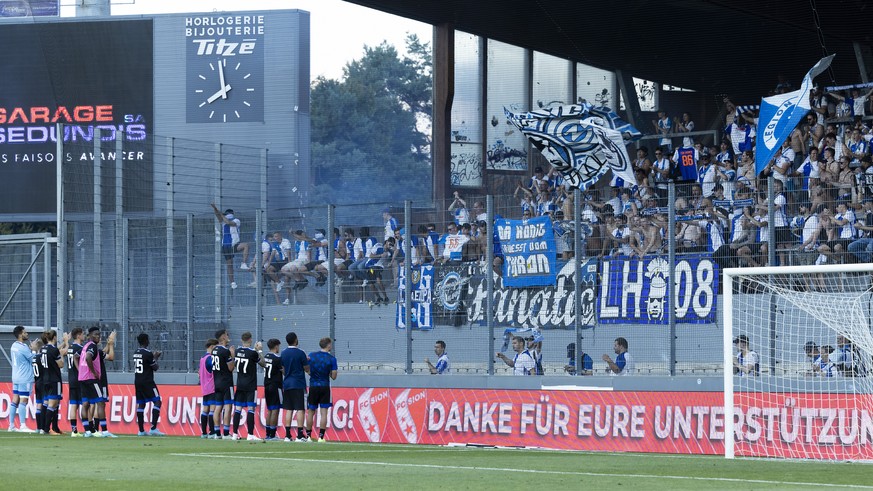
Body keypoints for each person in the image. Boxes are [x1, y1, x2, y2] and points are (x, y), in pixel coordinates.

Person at [78, 327, 116, 437]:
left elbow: (77, 357)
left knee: (85, 404)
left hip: (82, 378)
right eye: (95, 334)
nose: (98, 336)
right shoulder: (92, 346)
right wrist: (94, 372)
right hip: (91, 379)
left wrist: (80, 370)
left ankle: (87, 431)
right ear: (89, 335)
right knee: (100, 403)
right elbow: (88, 357)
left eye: (99, 334)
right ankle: (104, 431)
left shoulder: (85, 346)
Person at [231, 332, 263, 441]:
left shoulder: (237, 351)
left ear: (241, 340)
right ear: (250, 340)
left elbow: (235, 364)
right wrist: (259, 350)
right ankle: (250, 435)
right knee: (250, 409)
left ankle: (234, 434)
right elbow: (263, 364)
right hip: (250, 385)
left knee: (238, 409)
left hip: (240, 384)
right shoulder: (253, 353)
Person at [306, 337, 338, 442]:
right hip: (324, 386)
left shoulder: (311, 355)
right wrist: (328, 372)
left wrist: (311, 373)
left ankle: (308, 436)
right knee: (324, 412)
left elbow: (306, 367)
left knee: (311, 411)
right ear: (328, 345)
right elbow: (334, 376)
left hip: (313, 385)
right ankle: (321, 437)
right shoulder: (332, 359)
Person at [280, 331, 310, 442]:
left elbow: (282, 368)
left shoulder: (283, 353)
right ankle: (299, 435)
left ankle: (287, 435)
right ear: (296, 340)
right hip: (298, 383)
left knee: (289, 409)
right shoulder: (300, 353)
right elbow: (306, 368)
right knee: (300, 409)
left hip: (287, 383)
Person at [211, 203, 249, 290]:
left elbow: (229, 222)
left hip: (234, 244)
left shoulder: (236, 220)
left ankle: (243, 263)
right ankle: (232, 282)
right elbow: (218, 216)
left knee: (246, 245)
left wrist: (222, 214)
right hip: (225, 245)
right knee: (229, 264)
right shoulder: (223, 221)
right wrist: (215, 208)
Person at [133, 333, 164, 436]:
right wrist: (155, 357)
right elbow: (155, 367)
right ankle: (153, 428)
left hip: (137, 381)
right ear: (146, 340)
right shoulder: (148, 353)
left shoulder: (135, 352)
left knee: (141, 404)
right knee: (157, 401)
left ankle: (141, 431)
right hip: (148, 382)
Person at [38, 330, 69, 435]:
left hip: (45, 379)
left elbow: (54, 351)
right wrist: (67, 344)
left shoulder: (43, 349)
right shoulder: (54, 350)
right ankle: (47, 429)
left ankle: (46, 428)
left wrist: (64, 343)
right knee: (53, 404)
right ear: (54, 337)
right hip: (54, 379)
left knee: (46, 404)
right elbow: (61, 365)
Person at [9, 325, 37, 433]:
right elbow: (32, 359)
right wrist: (33, 350)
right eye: (25, 332)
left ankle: (11, 425)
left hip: (15, 377)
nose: (27, 334)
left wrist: (29, 350)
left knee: (14, 400)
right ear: (20, 334)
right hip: (25, 377)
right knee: (23, 400)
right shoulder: (24, 347)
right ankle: (22, 425)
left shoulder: (14, 346)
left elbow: (23, 357)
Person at [211, 329, 236, 439]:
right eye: (226, 334)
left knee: (218, 407)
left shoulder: (214, 350)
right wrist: (232, 355)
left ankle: (217, 433)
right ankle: (226, 433)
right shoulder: (225, 351)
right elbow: (231, 368)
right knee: (228, 406)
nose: (228, 335)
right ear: (222, 338)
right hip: (226, 382)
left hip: (217, 382)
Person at [261, 338, 284, 441]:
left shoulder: (265, 357)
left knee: (270, 410)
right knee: (275, 410)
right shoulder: (277, 359)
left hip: (267, 385)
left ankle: (268, 434)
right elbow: (284, 372)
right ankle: (273, 435)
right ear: (276, 346)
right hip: (276, 386)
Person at [65, 327, 85, 437]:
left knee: (73, 405)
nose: (84, 336)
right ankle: (88, 428)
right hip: (79, 379)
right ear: (78, 335)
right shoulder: (80, 349)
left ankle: (74, 430)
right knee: (85, 405)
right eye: (82, 334)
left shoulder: (70, 348)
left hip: (71, 379)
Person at [198, 338, 218, 439]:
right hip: (212, 386)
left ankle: (203, 432)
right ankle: (212, 432)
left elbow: (199, 373)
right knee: (212, 410)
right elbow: (214, 369)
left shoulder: (202, 358)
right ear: (212, 347)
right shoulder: (210, 358)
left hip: (204, 387)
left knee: (205, 409)